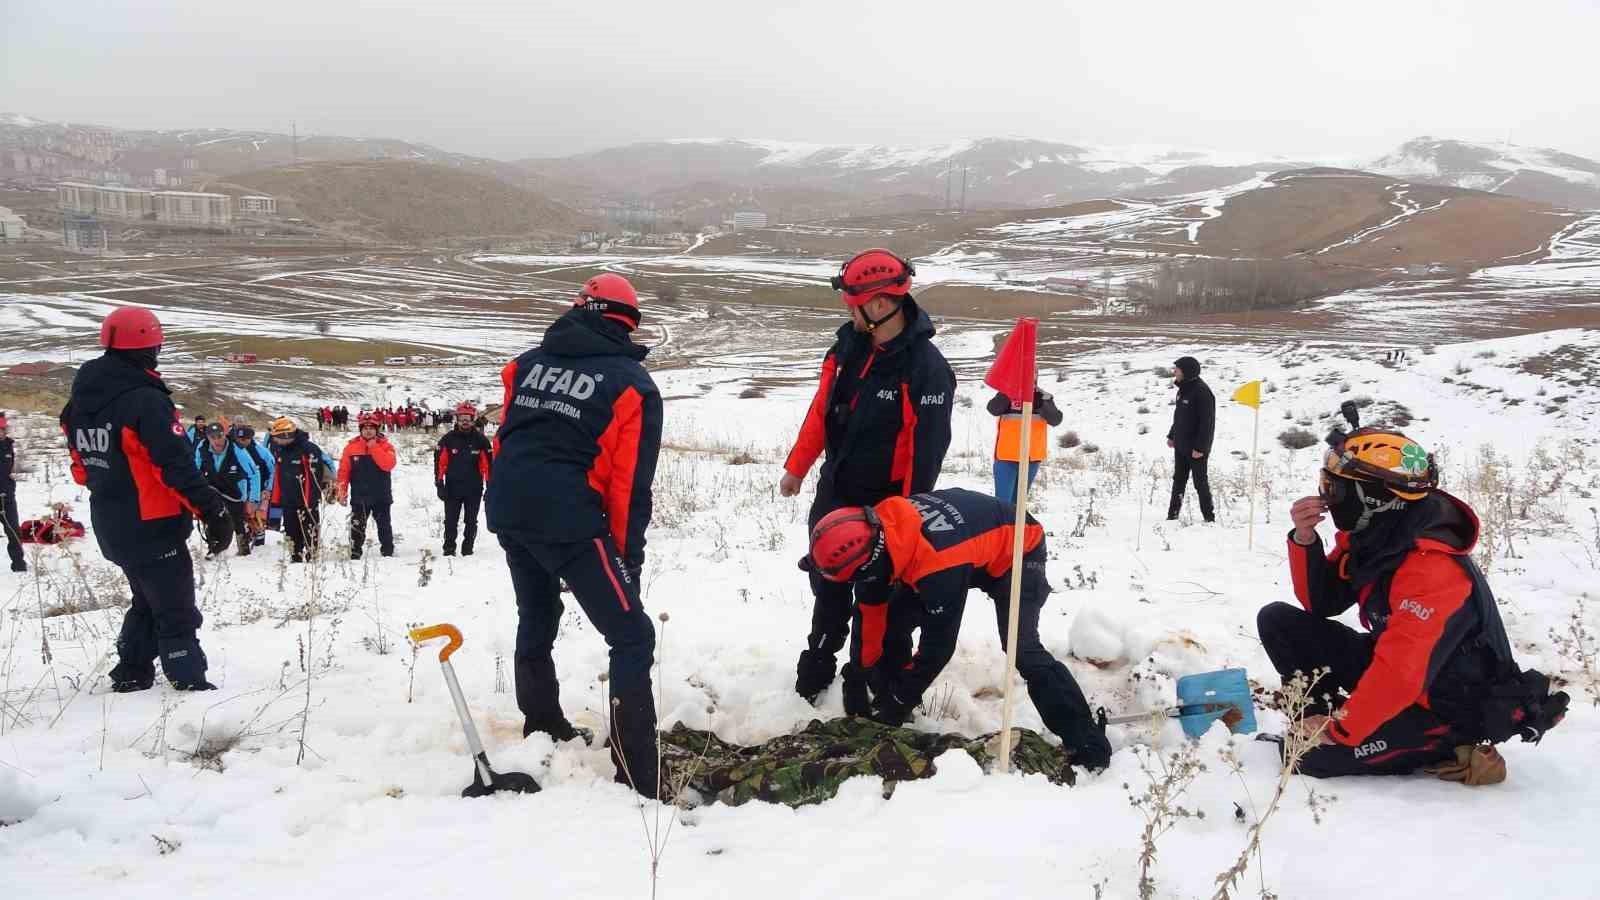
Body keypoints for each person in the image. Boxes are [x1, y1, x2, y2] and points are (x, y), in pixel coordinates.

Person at [1258, 416, 1567, 779]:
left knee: (1303, 756)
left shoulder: (1431, 570)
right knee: (1278, 621)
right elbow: (1323, 603)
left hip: (1446, 705)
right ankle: (1323, 714)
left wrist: (1340, 729)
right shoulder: (1377, 532)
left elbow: (1400, 674)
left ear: (1373, 498)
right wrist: (1305, 540)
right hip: (1410, 677)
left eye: (1336, 489)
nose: (1326, 496)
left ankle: (1448, 743)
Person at [486, 273, 662, 796]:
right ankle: (639, 772)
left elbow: (509, 435)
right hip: (568, 521)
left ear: (578, 310)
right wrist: (627, 556)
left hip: (508, 507)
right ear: (627, 325)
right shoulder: (632, 385)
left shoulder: (525, 364)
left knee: (537, 614)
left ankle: (541, 726)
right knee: (632, 635)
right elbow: (630, 485)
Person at [806, 487, 1112, 768]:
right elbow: (871, 611)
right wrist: (857, 675)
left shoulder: (937, 564)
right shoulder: (883, 531)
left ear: (872, 563)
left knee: (1023, 650)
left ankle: (1086, 741)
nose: (855, 585)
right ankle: (889, 693)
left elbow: (937, 649)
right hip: (964, 547)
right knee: (894, 621)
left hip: (1019, 548)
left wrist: (896, 706)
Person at [780, 248, 955, 711]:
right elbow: (821, 412)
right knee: (827, 583)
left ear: (879, 305)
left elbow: (927, 456)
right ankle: (817, 666)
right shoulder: (846, 348)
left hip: (887, 511)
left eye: (852, 304)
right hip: (836, 492)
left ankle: (878, 681)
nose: (848, 312)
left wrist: (904, 524)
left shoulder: (927, 370)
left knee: (882, 601)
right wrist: (798, 466)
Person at [61, 306, 233, 692]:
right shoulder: (144, 401)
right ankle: (189, 682)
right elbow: (173, 465)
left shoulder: (78, 405)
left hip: (110, 521)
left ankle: (132, 671)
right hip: (152, 523)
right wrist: (212, 509)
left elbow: (81, 466)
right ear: (150, 346)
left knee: (146, 598)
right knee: (175, 608)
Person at [266, 416, 337, 563]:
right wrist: (277, 499)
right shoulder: (281, 449)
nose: (274, 441)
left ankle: (313, 559)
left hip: (307, 501)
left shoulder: (308, 449)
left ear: (286, 435)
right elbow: (278, 475)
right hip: (288, 500)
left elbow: (314, 477)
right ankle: (295, 557)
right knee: (291, 532)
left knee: (310, 532)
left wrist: (309, 501)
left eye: (276, 438)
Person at [987, 387, 1063, 505]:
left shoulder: (1043, 397)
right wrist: (1008, 394)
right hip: (1006, 458)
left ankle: (1016, 524)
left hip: (1031, 459)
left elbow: (1056, 420)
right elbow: (993, 409)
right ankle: (1003, 523)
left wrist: (1042, 405)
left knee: (1019, 504)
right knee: (1002, 504)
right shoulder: (1007, 392)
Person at [194, 422, 260, 557]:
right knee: (212, 518)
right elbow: (195, 469)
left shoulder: (237, 450)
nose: (216, 440)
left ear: (224, 435)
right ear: (207, 437)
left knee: (237, 520)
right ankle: (214, 546)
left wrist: (253, 499)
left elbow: (254, 474)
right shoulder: (202, 448)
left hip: (234, 490)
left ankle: (243, 546)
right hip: (212, 488)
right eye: (212, 437)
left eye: (219, 436)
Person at [337, 412, 397, 559]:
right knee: (357, 527)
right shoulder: (350, 448)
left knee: (384, 527)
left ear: (377, 429)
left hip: (381, 496)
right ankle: (355, 554)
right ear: (360, 429)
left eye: (372, 427)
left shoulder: (386, 446)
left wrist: (374, 447)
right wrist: (341, 492)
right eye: (365, 427)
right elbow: (343, 472)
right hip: (360, 497)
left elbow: (388, 465)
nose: (368, 430)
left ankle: (388, 553)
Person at [435, 402, 492, 556]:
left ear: (473, 419)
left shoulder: (481, 440)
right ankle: (449, 549)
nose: (465, 421)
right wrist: (439, 484)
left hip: (474, 488)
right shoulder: (447, 439)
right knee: (450, 521)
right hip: (452, 488)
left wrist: (490, 487)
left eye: (468, 418)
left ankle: (467, 550)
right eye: (461, 418)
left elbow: (488, 466)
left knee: (471, 521)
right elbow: (440, 464)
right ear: (457, 420)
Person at [1166, 355, 1215, 522]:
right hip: (1181, 445)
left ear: (1186, 372)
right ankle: (1172, 516)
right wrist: (1172, 436)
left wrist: (1200, 448)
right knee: (1178, 480)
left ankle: (1209, 518)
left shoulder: (1202, 392)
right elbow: (1179, 416)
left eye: (1177, 369)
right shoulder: (1183, 390)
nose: (1174, 372)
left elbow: (1207, 424)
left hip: (1196, 450)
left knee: (1200, 484)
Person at [1, 413, 25, 572]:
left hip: (6, 496)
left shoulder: (8, 445)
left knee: (13, 531)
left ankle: (19, 566)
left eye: (2, 429)